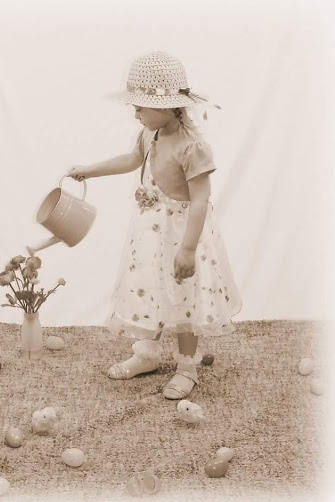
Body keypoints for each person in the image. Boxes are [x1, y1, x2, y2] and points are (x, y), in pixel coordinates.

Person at [67, 51, 242, 399]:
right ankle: (147, 354)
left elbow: (200, 201)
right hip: (151, 235)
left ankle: (187, 367)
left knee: (184, 298)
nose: (135, 114)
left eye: (140, 108)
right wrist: (89, 170)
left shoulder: (192, 147)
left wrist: (188, 249)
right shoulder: (150, 134)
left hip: (182, 234)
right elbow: (131, 159)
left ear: (167, 107)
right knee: (151, 290)